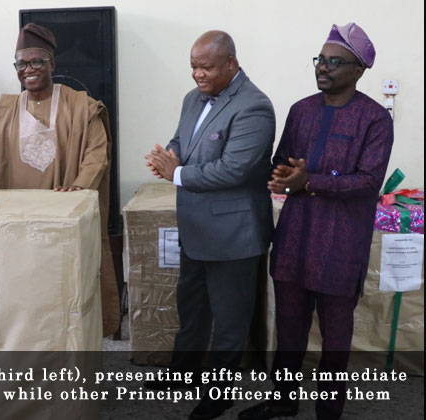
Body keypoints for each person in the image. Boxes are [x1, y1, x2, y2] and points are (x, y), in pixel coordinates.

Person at [238, 23, 393, 420]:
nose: (323, 67)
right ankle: (283, 400)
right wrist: (282, 175)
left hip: (341, 245)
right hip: (294, 237)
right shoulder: (301, 110)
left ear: (359, 70)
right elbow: (281, 161)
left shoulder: (374, 118)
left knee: (335, 336)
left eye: (335, 62)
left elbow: (368, 182)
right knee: (289, 328)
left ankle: (329, 411)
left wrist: (310, 181)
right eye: (320, 60)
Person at [0, 23, 121, 337]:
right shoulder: (4, 112)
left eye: (36, 62)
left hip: (62, 221)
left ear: (52, 64)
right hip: (18, 226)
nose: (28, 69)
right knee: (23, 297)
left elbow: (97, 156)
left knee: (65, 296)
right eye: (21, 64)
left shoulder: (81, 107)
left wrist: (78, 188)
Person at [144, 30, 275, 420]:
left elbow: (233, 169)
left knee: (230, 319)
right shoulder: (193, 98)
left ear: (231, 64)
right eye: (193, 67)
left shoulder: (254, 106)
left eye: (206, 67)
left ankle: (221, 394)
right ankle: (182, 374)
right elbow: (180, 140)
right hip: (196, 227)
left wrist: (176, 172)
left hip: (234, 235)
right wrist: (169, 155)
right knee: (192, 308)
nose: (198, 75)